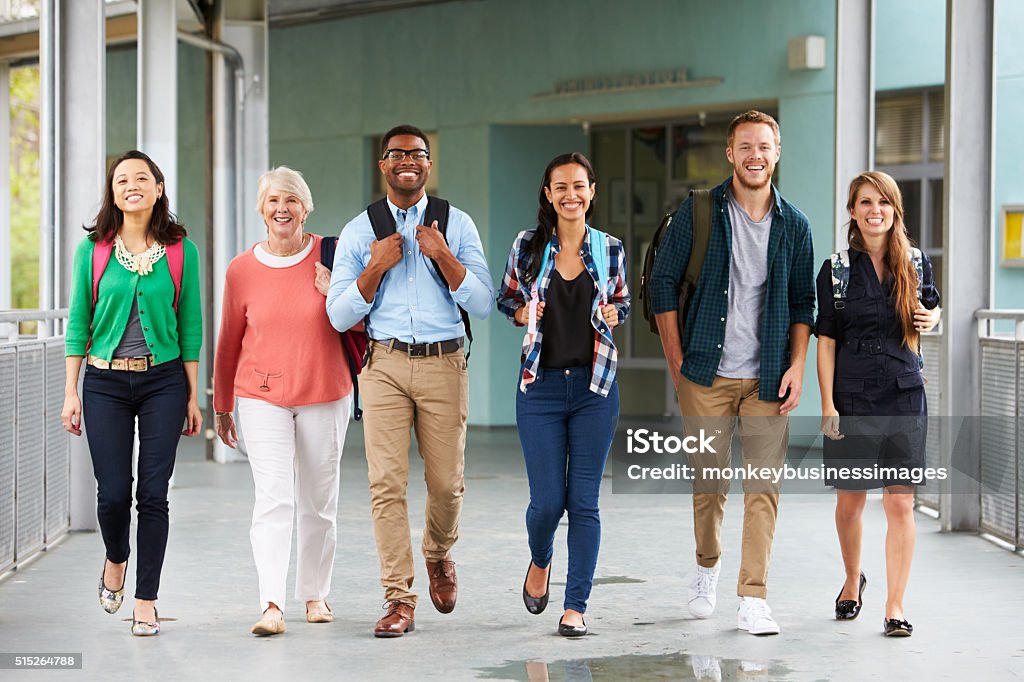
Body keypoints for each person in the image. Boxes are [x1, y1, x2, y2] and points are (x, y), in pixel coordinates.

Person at [649, 110, 815, 635]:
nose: (755, 155)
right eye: (746, 146)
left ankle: (753, 597)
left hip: (767, 375)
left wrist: (797, 365)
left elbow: (803, 303)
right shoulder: (698, 212)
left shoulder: (796, 224)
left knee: (763, 485)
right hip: (706, 371)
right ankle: (706, 569)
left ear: (777, 152)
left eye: (764, 146)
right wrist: (677, 362)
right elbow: (660, 284)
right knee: (710, 484)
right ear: (730, 153)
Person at [327, 124, 494, 637]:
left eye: (417, 154)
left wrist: (444, 255)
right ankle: (399, 599)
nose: (408, 161)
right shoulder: (361, 231)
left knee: (446, 484)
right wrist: (374, 269)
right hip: (385, 366)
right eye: (397, 154)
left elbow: (484, 303)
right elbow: (337, 314)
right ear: (383, 165)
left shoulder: (457, 224)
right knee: (386, 485)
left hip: (446, 363)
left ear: (427, 164)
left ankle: (438, 553)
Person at [61, 150, 202, 637]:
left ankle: (146, 600)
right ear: (113, 192)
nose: (132, 185)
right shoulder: (93, 251)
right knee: (113, 494)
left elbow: (190, 324)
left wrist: (190, 393)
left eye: (142, 177)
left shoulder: (182, 250)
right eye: (122, 179)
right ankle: (115, 557)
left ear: (158, 188)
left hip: (163, 381)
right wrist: (70, 391)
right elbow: (78, 321)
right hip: (103, 383)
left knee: (154, 495)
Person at [214, 166, 354, 636]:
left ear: (305, 207)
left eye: (291, 200)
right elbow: (229, 340)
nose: (282, 209)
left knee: (319, 500)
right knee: (273, 499)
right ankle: (271, 603)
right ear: (261, 209)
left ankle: (315, 594)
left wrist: (335, 290)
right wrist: (222, 403)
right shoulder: (241, 269)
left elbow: (364, 325)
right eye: (274, 200)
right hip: (261, 396)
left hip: (325, 390)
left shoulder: (334, 258)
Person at [496, 152, 630, 637]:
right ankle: (540, 558)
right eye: (561, 187)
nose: (571, 195)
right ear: (548, 194)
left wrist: (618, 314)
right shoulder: (528, 246)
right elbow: (507, 299)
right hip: (541, 388)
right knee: (548, 503)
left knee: (585, 503)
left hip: (596, 387)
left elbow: (621, 300)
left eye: (580, 186)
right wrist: (525, 316)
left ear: (592, 191)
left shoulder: (610, 247)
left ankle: (576, 606)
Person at [816, 171, 940, 637]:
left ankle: (895, 605)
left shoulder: (916, 262)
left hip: (904, 393)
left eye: (884, 202)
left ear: (895, 210)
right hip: (852, 396)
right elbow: (825, 338)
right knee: (851, 503)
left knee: (900, 504)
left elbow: (932, 306)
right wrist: (827, 403)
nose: (875, 210)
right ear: (852, 211)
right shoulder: (837, 270)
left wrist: (934, 315)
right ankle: (853, 579)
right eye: (865, 202)